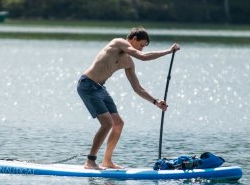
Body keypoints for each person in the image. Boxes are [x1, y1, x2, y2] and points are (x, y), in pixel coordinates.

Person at [77, 27, 180, 170]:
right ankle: (90, 161)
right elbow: (143, 57)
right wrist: (168, 51)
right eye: (141, 45)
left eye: (144, 47)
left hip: (100, 88)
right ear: (133, 39)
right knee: (107, 123)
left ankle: (107, 161)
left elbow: (138, 88)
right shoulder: (118, 42)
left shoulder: (129, 62)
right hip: (87, 85)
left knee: (118, 123)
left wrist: (156, 102)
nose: (142, 49)